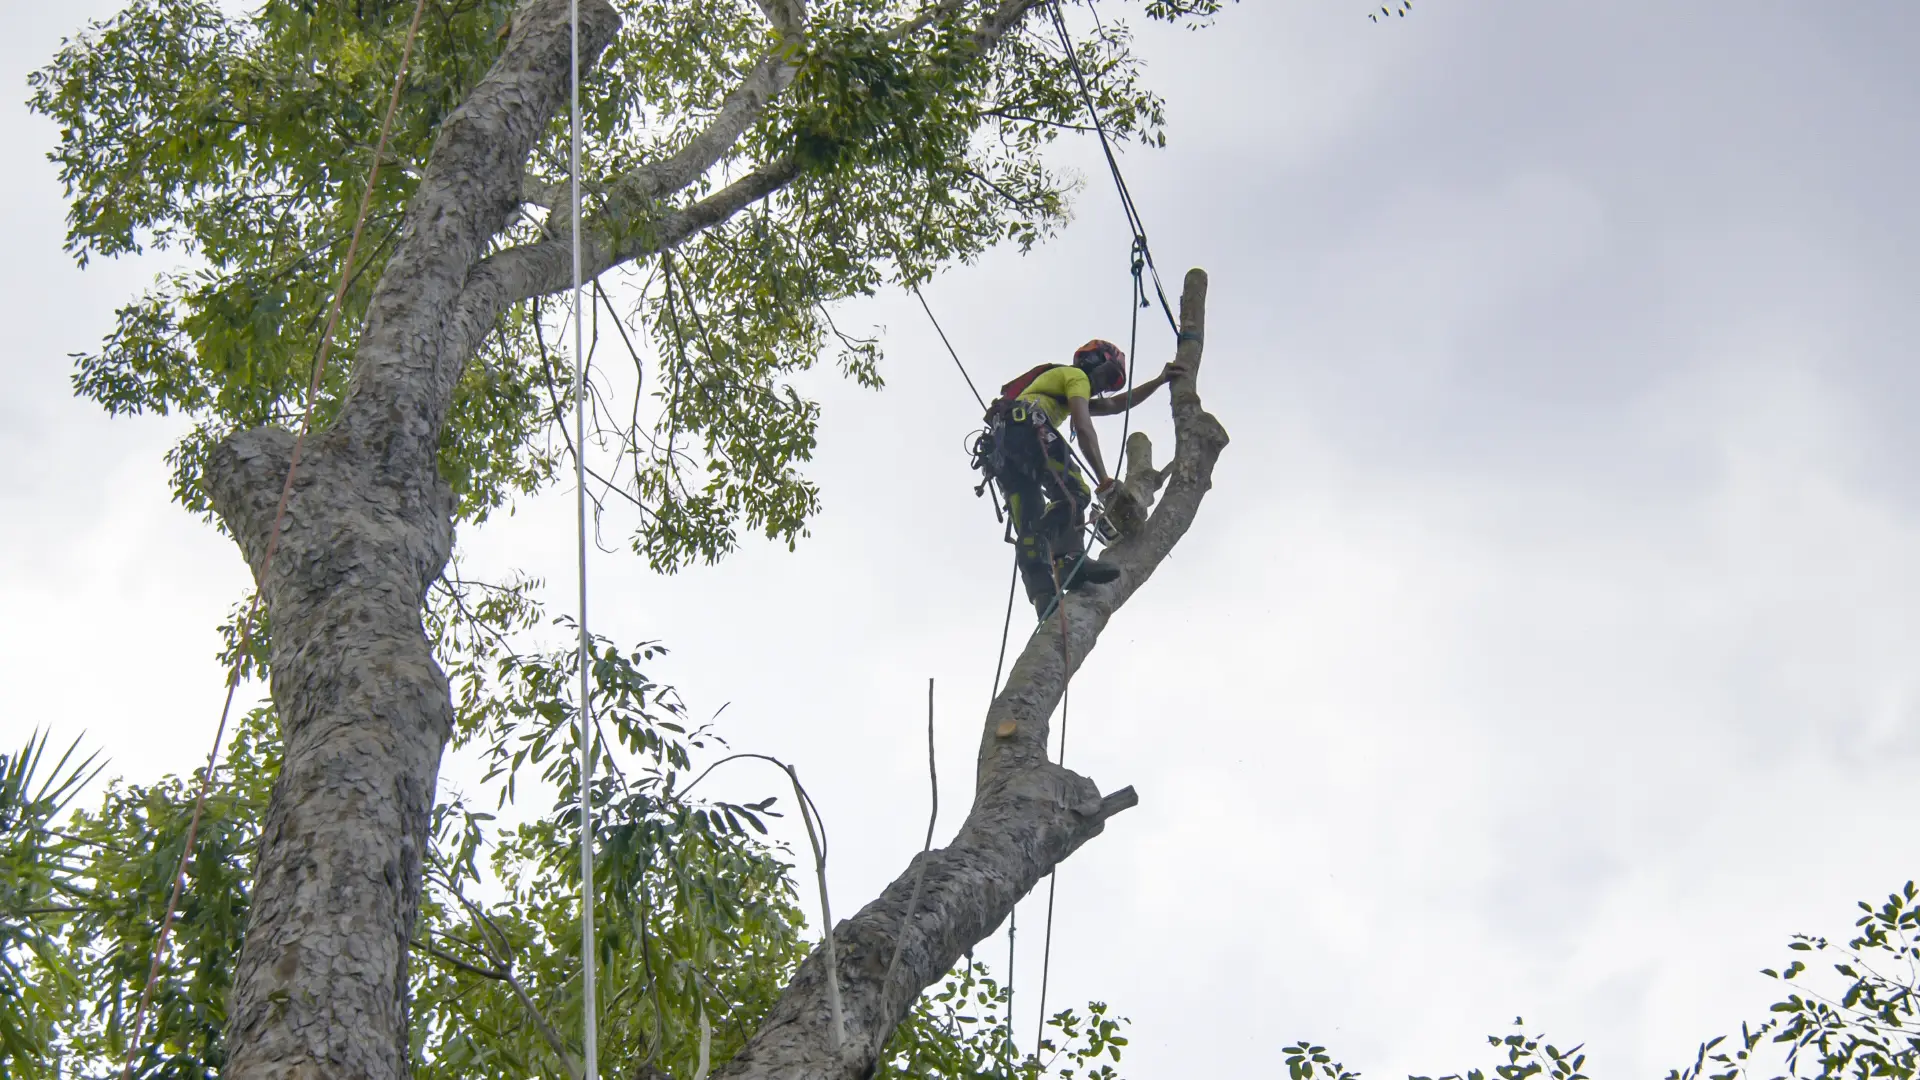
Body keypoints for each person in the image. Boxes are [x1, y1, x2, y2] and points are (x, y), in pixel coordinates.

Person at [973, 338, 1187, 616]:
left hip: (1000, 450)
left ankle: (1043, 595)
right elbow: (1084, 428)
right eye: (1108, 377)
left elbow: (1115, 405)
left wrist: (1158, 381)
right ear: (1094, 362)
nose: (1103, 387)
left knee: (1029, 521)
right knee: (1074, 492)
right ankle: (1069, 561)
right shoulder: (1076, 377)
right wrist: (1104, 480)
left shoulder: (1059, 386)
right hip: (1027, 427)